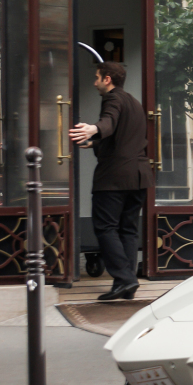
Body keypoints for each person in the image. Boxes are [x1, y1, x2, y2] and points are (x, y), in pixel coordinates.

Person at [68, 62, 153, 301]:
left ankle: (125, 279)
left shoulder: (113, 99)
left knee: (105, 228)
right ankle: (126, 282)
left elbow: (109, 121)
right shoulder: (134, 103)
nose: (94, 82)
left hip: (115, 178)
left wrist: (93, 129)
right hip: (139, 176)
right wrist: (95, 142)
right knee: (127, 229)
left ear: (107, 79)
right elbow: (123, 136)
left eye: (96, 78)